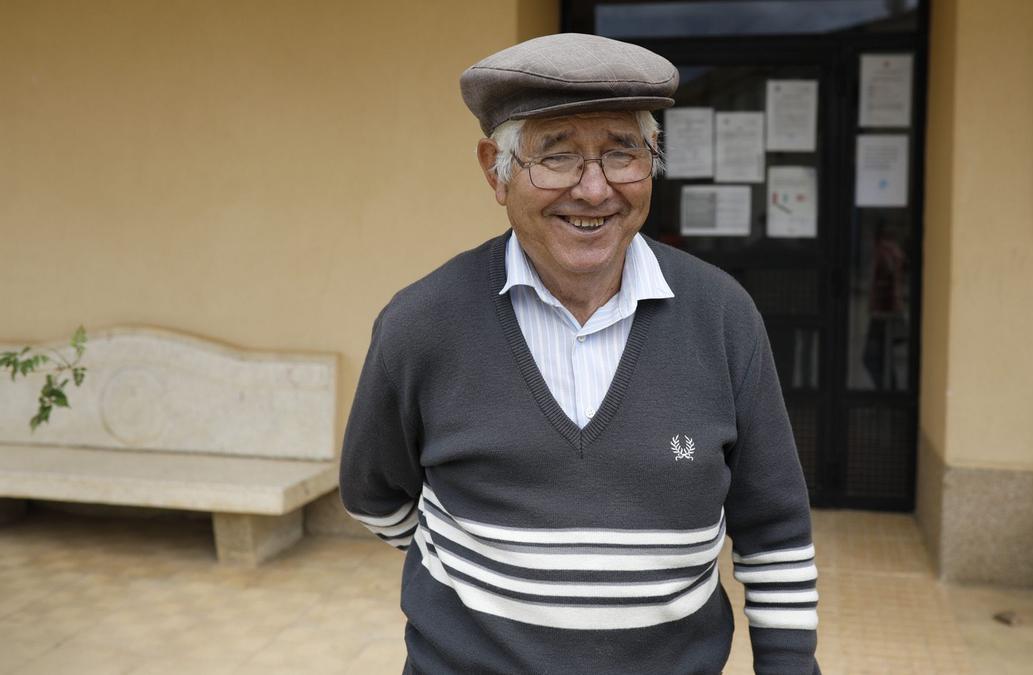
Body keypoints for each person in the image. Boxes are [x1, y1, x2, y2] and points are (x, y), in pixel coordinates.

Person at [340, 33, 820, 675]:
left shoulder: (722, 315)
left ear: (651, 165)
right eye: (558, 157)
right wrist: (480, 577)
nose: (594, 191)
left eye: (622, 153)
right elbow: (374, 494)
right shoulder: (422, 323)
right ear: (496, 170)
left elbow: (774, 532)